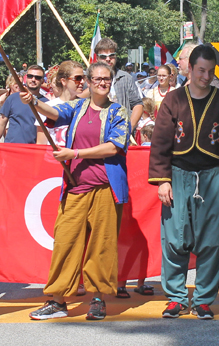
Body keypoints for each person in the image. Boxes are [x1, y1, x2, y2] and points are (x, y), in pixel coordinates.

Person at [148, 44, 219, 320]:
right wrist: (162, 180)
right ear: (189, 69)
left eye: (210, 71)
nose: (205, 76)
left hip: (212, 176)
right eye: (200, 70)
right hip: (178, 175)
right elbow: (159, 142)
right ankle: (176, 298)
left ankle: (204, 299)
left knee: (213, 240)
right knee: (174, 239)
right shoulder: (173, 100)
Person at [23, 62, 130, 321]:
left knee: (101, 247)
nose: (102, 83)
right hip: (75, 188)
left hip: (106, 189)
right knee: (65, 242)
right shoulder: (77, 107)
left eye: (106, 79)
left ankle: (98, 299)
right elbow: (53, 113)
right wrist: (34, 101)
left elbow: (114, 147)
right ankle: (57, 301)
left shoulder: (119, 112)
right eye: (97, 79)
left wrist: (76, 153)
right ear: (90, 82)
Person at [94, 38, 143, 131]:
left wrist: (130, 127)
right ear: (97, 58)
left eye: (111, 55)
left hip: (121, 131)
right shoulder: (89, 80)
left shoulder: (126, 78)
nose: (108, 59)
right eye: (103, 56)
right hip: (97, 130)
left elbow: (138, 105)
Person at [36, 61, 85, 146]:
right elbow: (41, 144)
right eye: (78, 78)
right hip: (52, 158)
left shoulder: (86, 106)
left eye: (84, 78)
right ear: (63, 81)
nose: (82, 82)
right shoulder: (47, 107)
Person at [0, 65, 48, 143]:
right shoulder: (12, 98)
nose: (33, 79)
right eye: (30, 76)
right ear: (26, 78)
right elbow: (1, 123)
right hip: (11, 149)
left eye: (37, 77)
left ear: (42, 81)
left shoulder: (46, 104)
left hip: (33, 150)